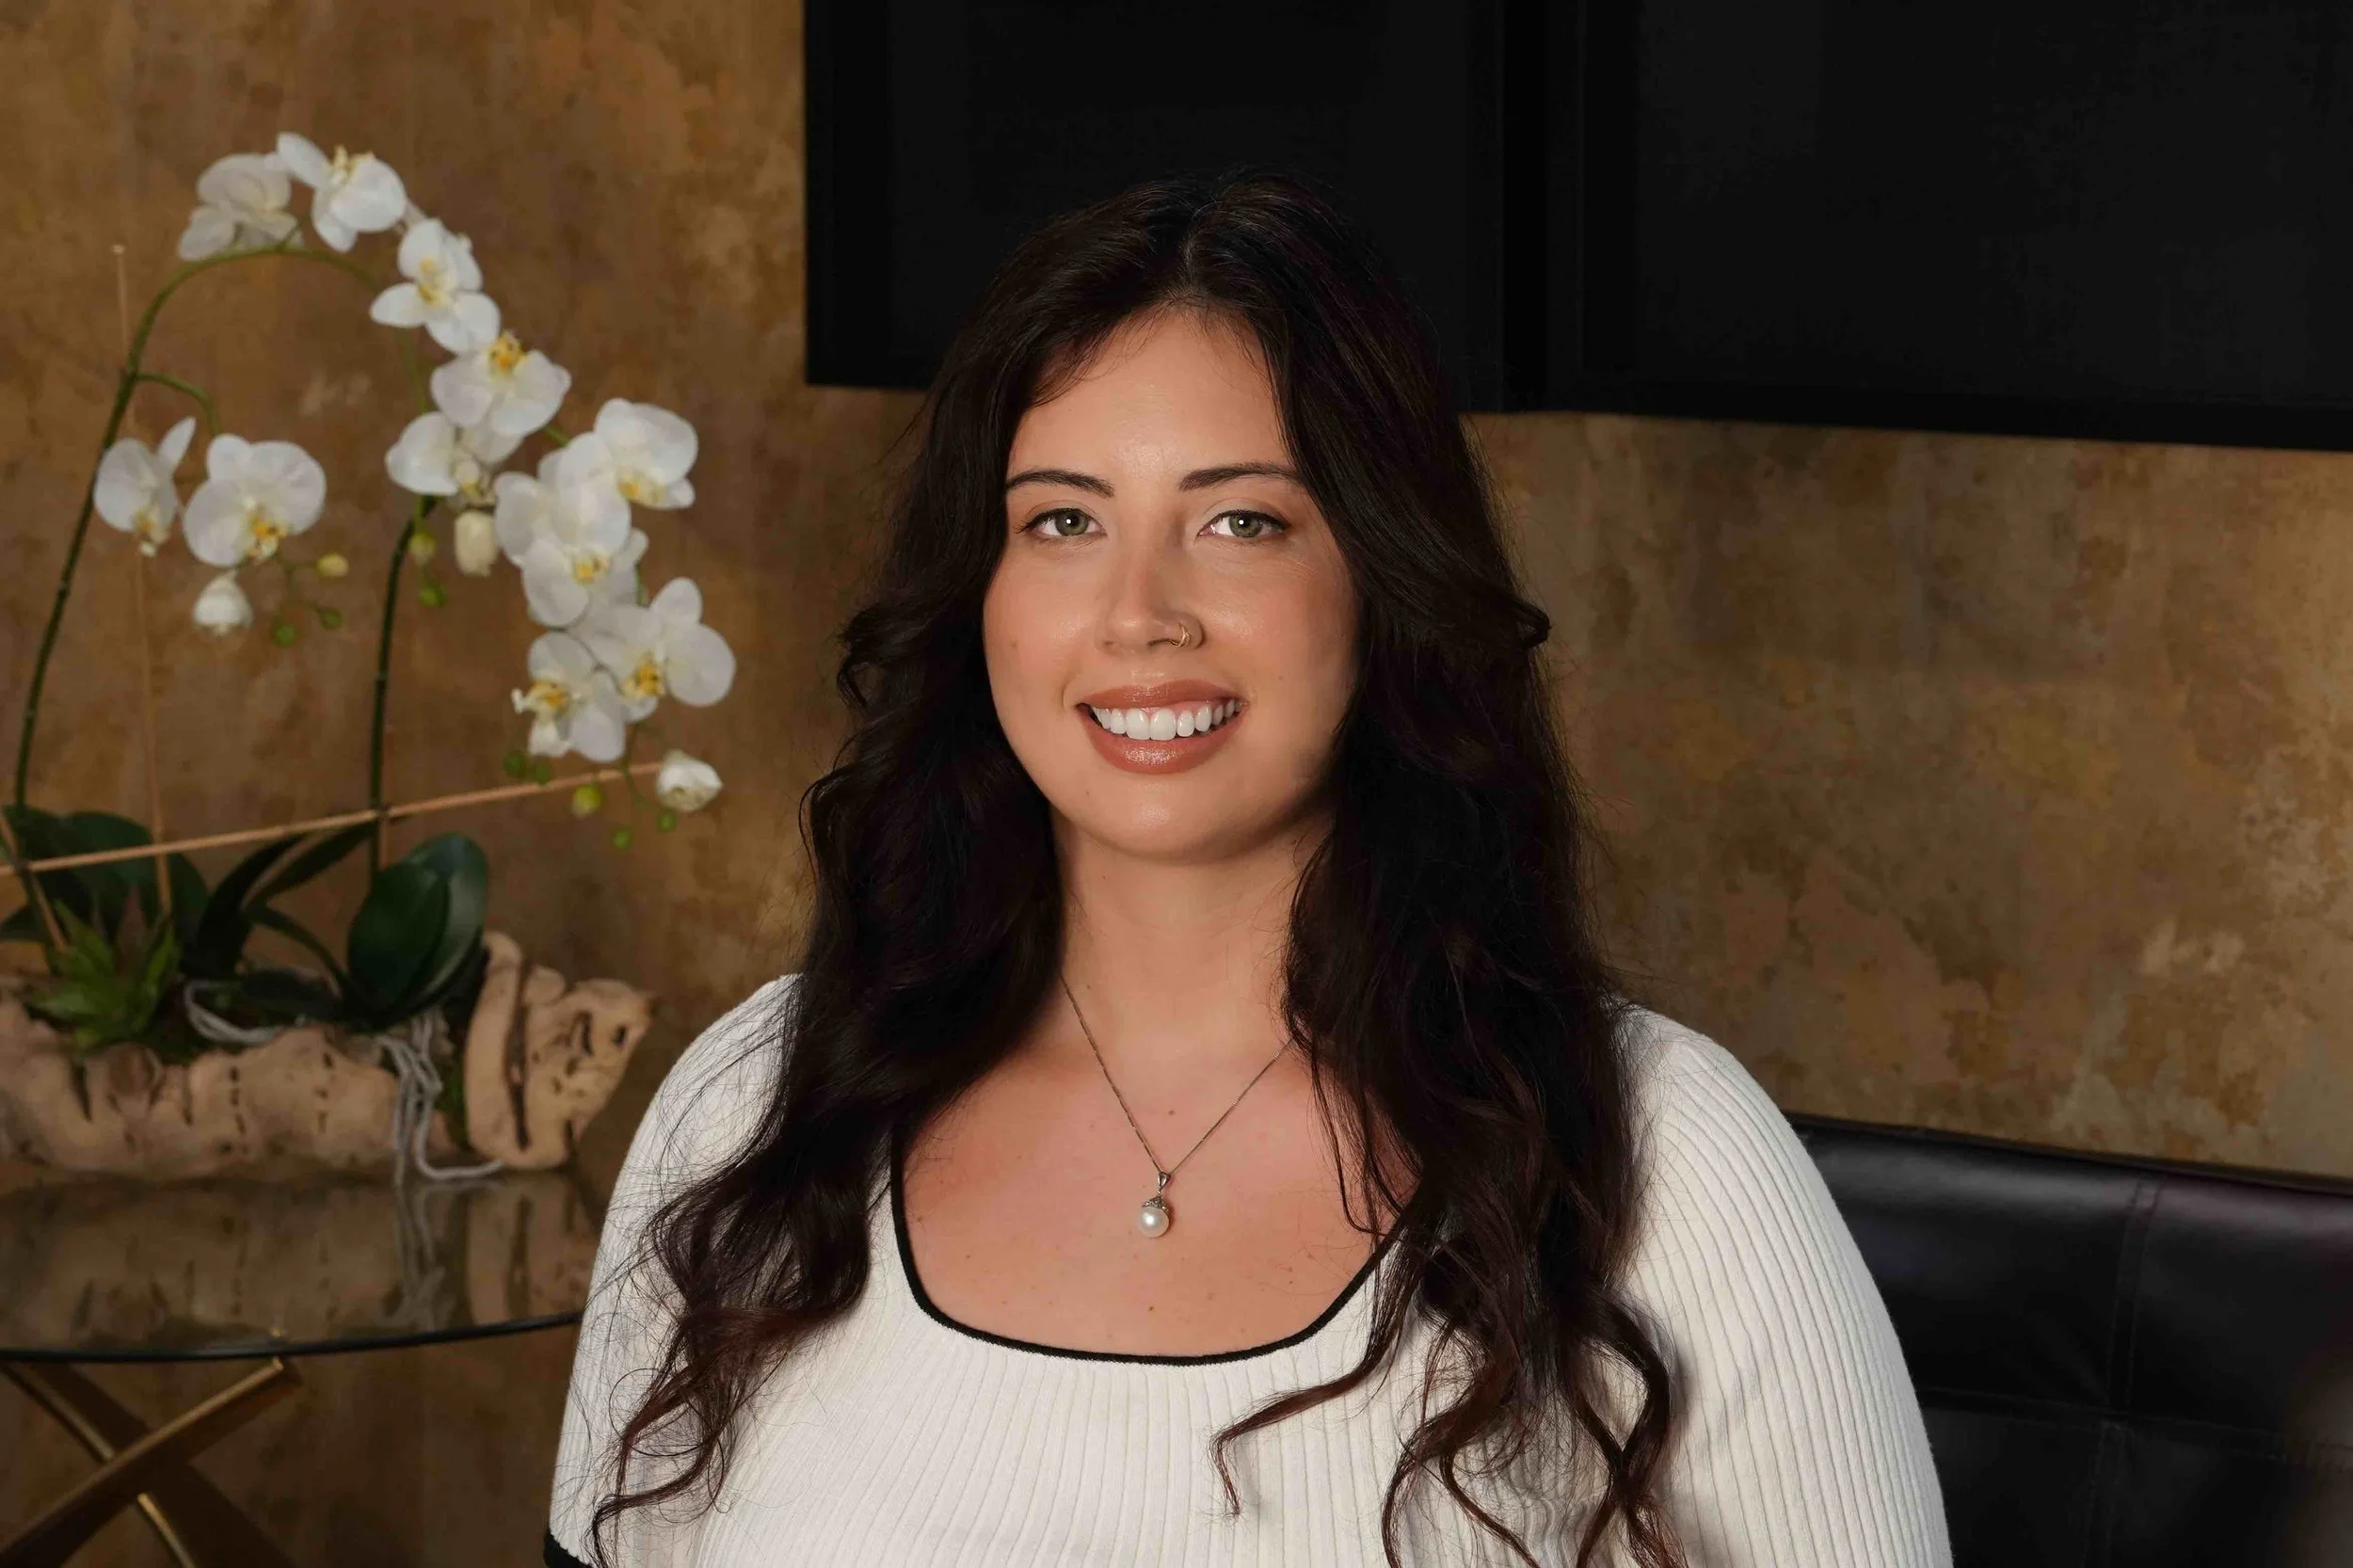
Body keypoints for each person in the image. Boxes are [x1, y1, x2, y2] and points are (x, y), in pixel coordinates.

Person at [545, 171, 1952, 1568]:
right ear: (980, 592)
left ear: (1382, 581)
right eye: (1062, 520)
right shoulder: (753, 1114)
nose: (1140, 614)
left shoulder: (1674, 1163)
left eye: (1241, 522)